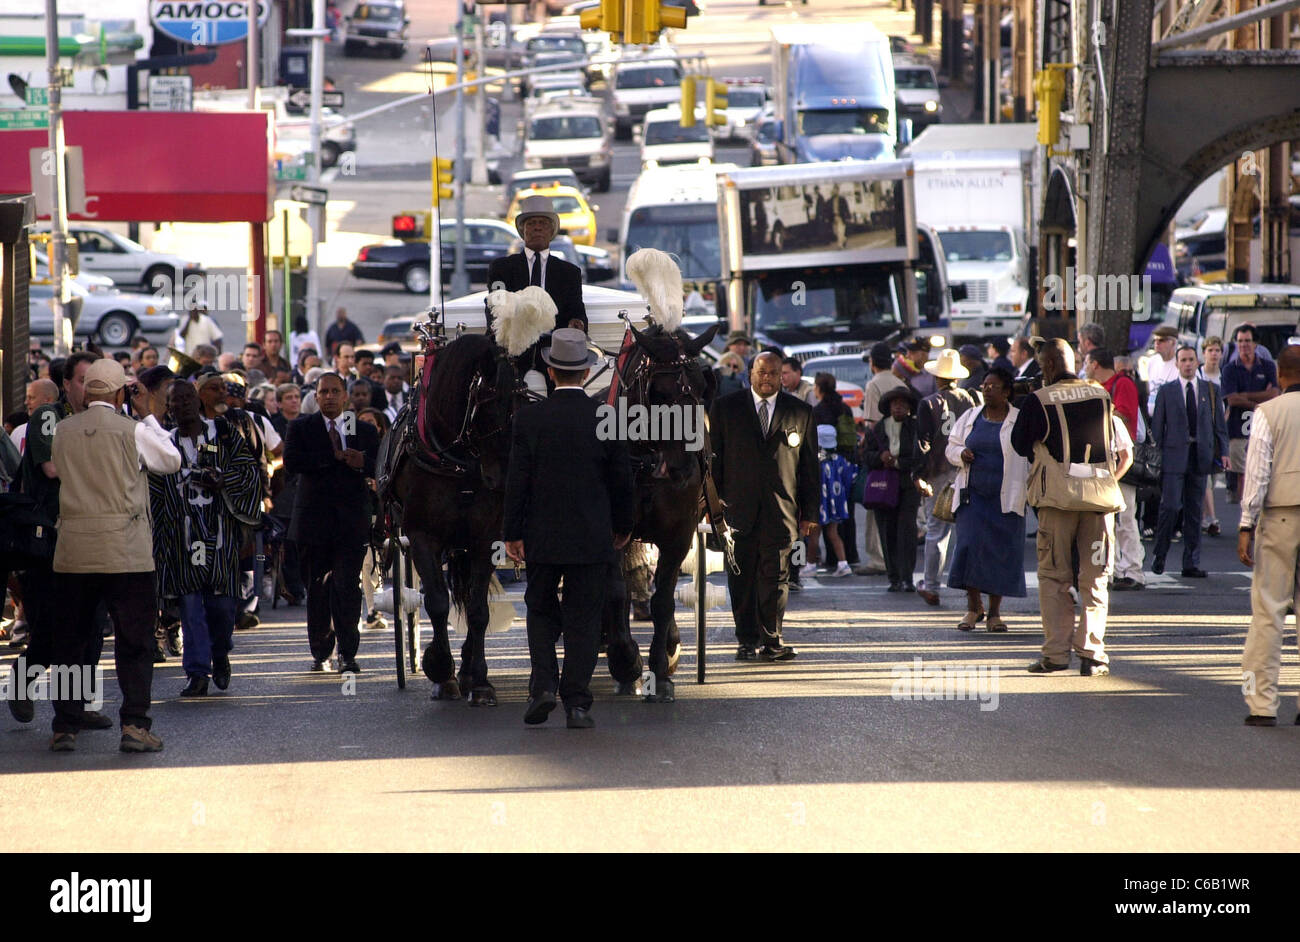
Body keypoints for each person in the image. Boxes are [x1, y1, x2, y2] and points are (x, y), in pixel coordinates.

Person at [47, 358, 181, 752]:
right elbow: (171, 461)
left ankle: (65, 724)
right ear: (122, 392)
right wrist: (148, 417)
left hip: (74, 551)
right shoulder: (133, 430)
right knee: (134, 641)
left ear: (87, 391)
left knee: (72, 641)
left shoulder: (62, 430)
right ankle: (135, 725)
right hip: (126, 552)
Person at [504, 330, 633, 726]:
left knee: (540, 611)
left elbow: (517, 480)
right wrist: (623, 525)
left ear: (549, 370)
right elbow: (622, 480)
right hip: (593, 534)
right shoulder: (606, 417)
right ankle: (576, 703)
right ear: (589, 369)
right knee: (584, 618)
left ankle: (542, 686)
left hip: (542, 534)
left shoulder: (528, 417)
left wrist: (512, 532)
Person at [1011, 339, 1124, 676]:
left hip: (1058, 502)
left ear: (1046, 366)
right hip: (1098, 500)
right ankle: (1092, 654)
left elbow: (1020, 445)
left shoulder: (1039, 400)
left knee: (1054, 578)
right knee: (1095, 578)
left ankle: (1056, 655)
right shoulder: (1101, 394)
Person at [148, 381, 263, 697]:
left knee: (222, 608)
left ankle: (221, 652)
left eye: (187, 398)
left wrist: (223, 481)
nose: (182, 404)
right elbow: (154, 492)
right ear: (169, 407)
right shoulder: (166, 444)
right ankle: (197, 672)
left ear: (197, 402)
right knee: (191, 607)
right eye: (175, 401)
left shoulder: (222, 434)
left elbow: (249, 472)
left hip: (221, 537)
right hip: (182, 540)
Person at [709, 351, 819, 662]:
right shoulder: (725, 408)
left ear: (782, 375)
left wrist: (810, 514)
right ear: (750, 374)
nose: (767, 378)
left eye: (773, 372)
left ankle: (772, 640)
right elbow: (712, 462)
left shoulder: (801, 412)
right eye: (761, 372)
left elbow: (810, 469)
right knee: (741, 579)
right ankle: (746, 640)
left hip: (780, 511)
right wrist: (712, 504)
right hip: (736, 511)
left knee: (776, 577)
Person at [284, 372, 380, 673]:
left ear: (344, 395)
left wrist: (361, 461)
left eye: (334, 391)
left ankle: (348, 653)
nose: (329, 396)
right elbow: (292, 462)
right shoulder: (301, 427)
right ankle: (321, 650)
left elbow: (380, 463)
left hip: (350, 523)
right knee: (318, 588)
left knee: (347, 587)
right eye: (323, 391)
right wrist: (332, 457)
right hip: (313, 523)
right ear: (315, 395)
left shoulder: (361, 429)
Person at [1237, 345, 1300, 727]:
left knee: (1268, 610)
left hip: (1280, 517)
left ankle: (1262, 702)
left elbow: (1257, 472)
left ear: (1279, 375)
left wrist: (1246, 523)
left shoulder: (1268, 412)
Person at [946, 367, 1030, 632]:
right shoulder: (970, 416)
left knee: (1000, 554)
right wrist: (961, 453)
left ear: (1007, 392)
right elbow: (951, 446)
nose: (987, 390)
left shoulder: (1020, 420)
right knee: (969, 549)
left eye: (994, 386)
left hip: (1007, 499)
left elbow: (1031, 454)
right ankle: (973, 608)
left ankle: (994, 613)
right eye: (984, 385)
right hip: (973, 498)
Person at [1150, 345, 1229, 579]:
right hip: (1173, 457)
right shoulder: (1167, 391)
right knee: (1171, 506)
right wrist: (1159, 456)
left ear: (1197, 362)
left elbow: (1219, 428)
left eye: (1191, 360)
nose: (1187, 364)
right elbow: (1158, 427)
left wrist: (1223, 452)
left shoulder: (1210, 390)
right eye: (1183, 360)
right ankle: (1160, 553)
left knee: (1195, 513)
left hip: (1200, 456)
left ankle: (1191, 562)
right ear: (1177, 364)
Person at [915, 349, 976, 605]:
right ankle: (969, 585)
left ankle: (931, 586)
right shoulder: (971, 401)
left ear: (938, 378)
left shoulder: (928, 402)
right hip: (964, 468)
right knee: (965, 529)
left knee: (935, 530)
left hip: (937, 470)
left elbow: (923, 443)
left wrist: (918, 475)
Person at [1084, 348, 1145, 590]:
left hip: (1121, 459)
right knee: (1109, 523)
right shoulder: (1104, 385)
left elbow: (1126, 417)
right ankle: (1117, 569)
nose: (1086, 368)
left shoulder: (1122, 384)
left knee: (1126, 517)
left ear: (1096, 363)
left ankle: (1133, 571)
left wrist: (1098, 414)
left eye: (1087, 363)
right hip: (1106, 464)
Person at [487, 196, 587, 330]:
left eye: (543, 224)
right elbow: (496, 304)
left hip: (554, 344)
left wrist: (577, 322)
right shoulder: (501, 268)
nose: (537, 228)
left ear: (551, 231)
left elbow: (577, 311)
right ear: (523, 231)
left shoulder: (569, 273)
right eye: (532, 223)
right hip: (513, 341)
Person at [862, 385, 924, 593]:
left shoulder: (916, 428)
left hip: (907, 484)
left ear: (909, 408)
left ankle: (907, 578)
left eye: (903, 404)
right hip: (883, 487)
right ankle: (894, 578)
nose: (898, 407)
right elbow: (863, 456)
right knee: (887, 531)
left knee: (907, 531)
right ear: (888, 406)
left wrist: (898, 462)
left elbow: (920, 457)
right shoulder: (877, 429)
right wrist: (880, 458)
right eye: (895, 403)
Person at [1221, 324, 1278, 503]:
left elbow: (1275, 394)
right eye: (1240, 341)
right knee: (1242, 475)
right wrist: (1260, 401)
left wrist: (1244, 395)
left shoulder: (1268, 366)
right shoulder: (1230, 369)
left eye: (1247, 341)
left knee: (1262, 474)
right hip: (1238, 430)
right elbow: (1232, 399)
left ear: (1255, 344)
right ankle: (1244, 515)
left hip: (1264, 430)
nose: (1243, 345)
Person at [811, 372, 858, 572]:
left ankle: (823, 560)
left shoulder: (819, 410)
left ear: (818, 388)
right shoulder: (844, 407)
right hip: (844, 465)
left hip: (825, 468)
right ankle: (848, 557)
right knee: (844, 516)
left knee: (821, 520)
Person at [806, 424, 854, 577]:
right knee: (833, 533)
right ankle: (843, 563)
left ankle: (810, 565)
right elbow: (849, 477)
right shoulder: (839, 459)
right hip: (835, 503)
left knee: (813, 535)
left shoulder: (814, 460)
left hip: (817, 503)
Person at [1198, 336, 1225, 536]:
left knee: (1213, 478)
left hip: (1219, 431)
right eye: (1210, 350)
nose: (1214, 354)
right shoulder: (1199, 375)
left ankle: (1203, 517)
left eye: (1217, 350)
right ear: (1204, 353)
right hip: (1202, 431)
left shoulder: (1224, 376)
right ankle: (1211, 518)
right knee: (1205, 477)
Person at [1143, 325, 1181, 417]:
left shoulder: (1180, 363)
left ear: (1173, 343)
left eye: (1162, 340)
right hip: (1151, 417)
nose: (1157, 343)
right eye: (1155, 340)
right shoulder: (1152, 361)